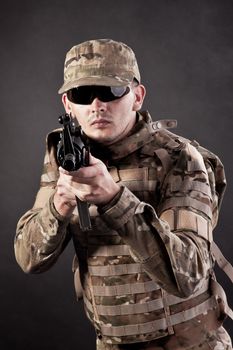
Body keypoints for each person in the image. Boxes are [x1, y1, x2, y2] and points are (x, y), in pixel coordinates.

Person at [14, 38, 233, 350]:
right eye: (82, 94)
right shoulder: (65, 157)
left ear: (137, 96)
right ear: (68, 105)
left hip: (190, 342)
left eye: (111, 91)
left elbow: (189, 275)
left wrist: (113, 199)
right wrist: (57, 206)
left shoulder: (179, 158)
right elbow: (28, 259)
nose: (97, 105)